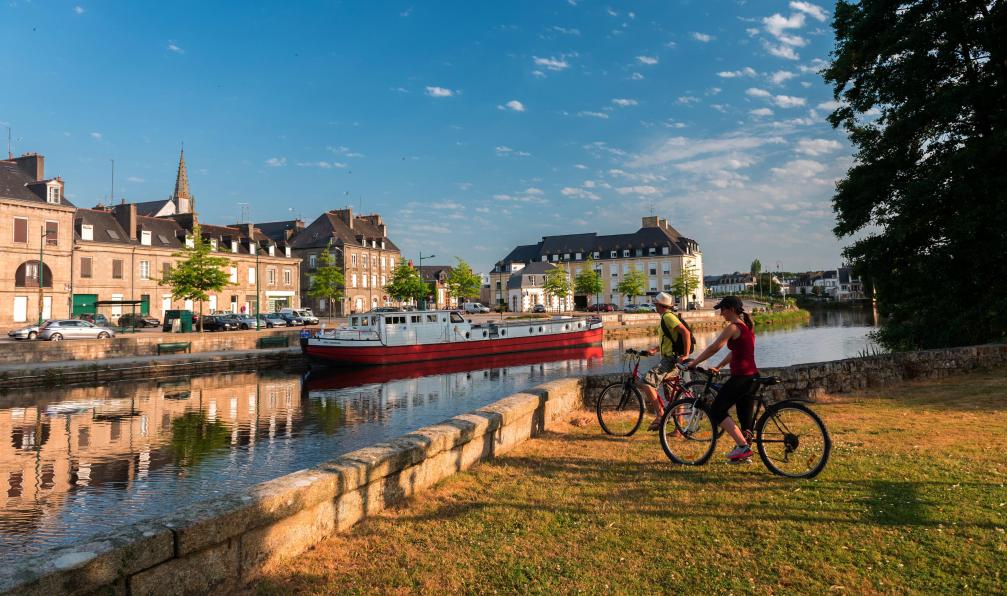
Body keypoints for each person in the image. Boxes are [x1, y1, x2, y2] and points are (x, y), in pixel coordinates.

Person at [687, 295, 758, 463]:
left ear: (731, 309)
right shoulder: (746, 327)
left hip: (741, 377)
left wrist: (694, 363)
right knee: (744, 418)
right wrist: (718, 366)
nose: (721, 314)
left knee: (717, 410)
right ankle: (744, 454)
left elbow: (713, 348)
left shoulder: (733, 327)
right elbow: (736, 352)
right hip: (752, 376)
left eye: (722, 309)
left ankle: (742, 447)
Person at [640, 292, 692, 431]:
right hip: (670, 358)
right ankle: (678, 429)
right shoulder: (667, 317)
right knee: (674, 395)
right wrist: (655, 350)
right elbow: (670, 339)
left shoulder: (668, 317)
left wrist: (685, 354)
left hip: (670, 360)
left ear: (660, 305)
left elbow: (685, 333)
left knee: (646, 381)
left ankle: (660, 414)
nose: (654, 306)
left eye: (655, 304)